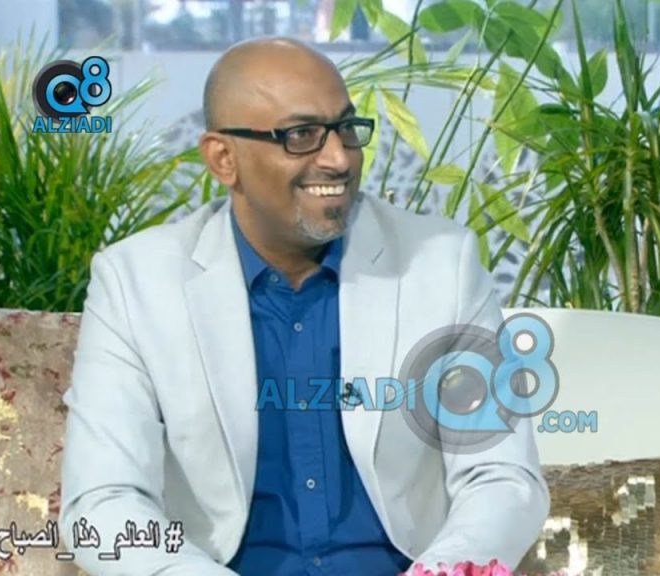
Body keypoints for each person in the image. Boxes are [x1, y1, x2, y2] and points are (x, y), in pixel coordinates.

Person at [59, 37, 549, 575]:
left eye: (346, 129)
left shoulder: (441, 264)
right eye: (301, 136)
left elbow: (502, 476)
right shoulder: (135, 282)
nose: (339, 159)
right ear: (224, 159)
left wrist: (445, 569)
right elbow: (102, 502)